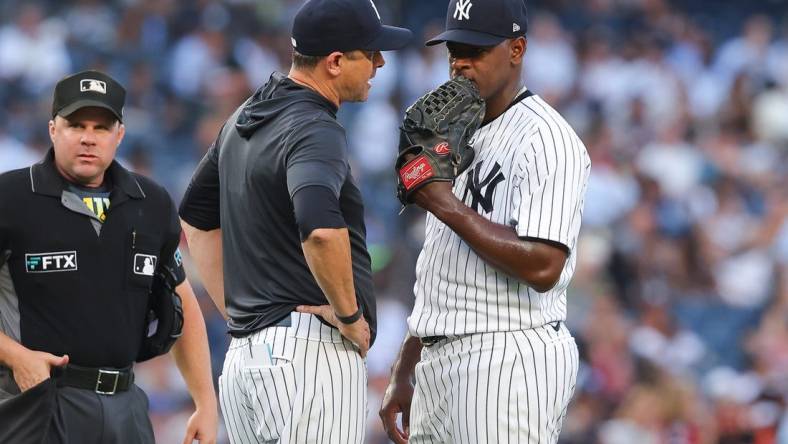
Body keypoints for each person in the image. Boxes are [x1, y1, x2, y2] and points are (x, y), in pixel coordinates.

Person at [177, 0, 412, 442]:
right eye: (371, 52)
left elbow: (194, 220)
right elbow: (321, 230)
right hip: (306, 358)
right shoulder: (313, 125)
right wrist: (347, 314)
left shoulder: (245, 117)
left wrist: (243, 313)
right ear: (336, 62)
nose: (380, 62)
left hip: (246, 361)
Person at [379, 0, 591, 443]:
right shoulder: (457, 132)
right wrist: (408, 361)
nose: (460, 63)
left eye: (475, 51)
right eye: (454, 49)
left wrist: (444, 203)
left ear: (517, 49)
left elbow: (544, 266)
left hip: (507, 354)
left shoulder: (547, 140)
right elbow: (444, 264)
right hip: (442, 355)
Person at [0, 70, 218, 444]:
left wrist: (205, 400)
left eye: (101, 128)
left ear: (119, 135)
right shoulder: (11, 198)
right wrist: (15, 356)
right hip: (36, 401)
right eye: (75, 125)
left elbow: (182, 302)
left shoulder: (150, 202)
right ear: (53, 129)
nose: (88, 137)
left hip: (125, 405)